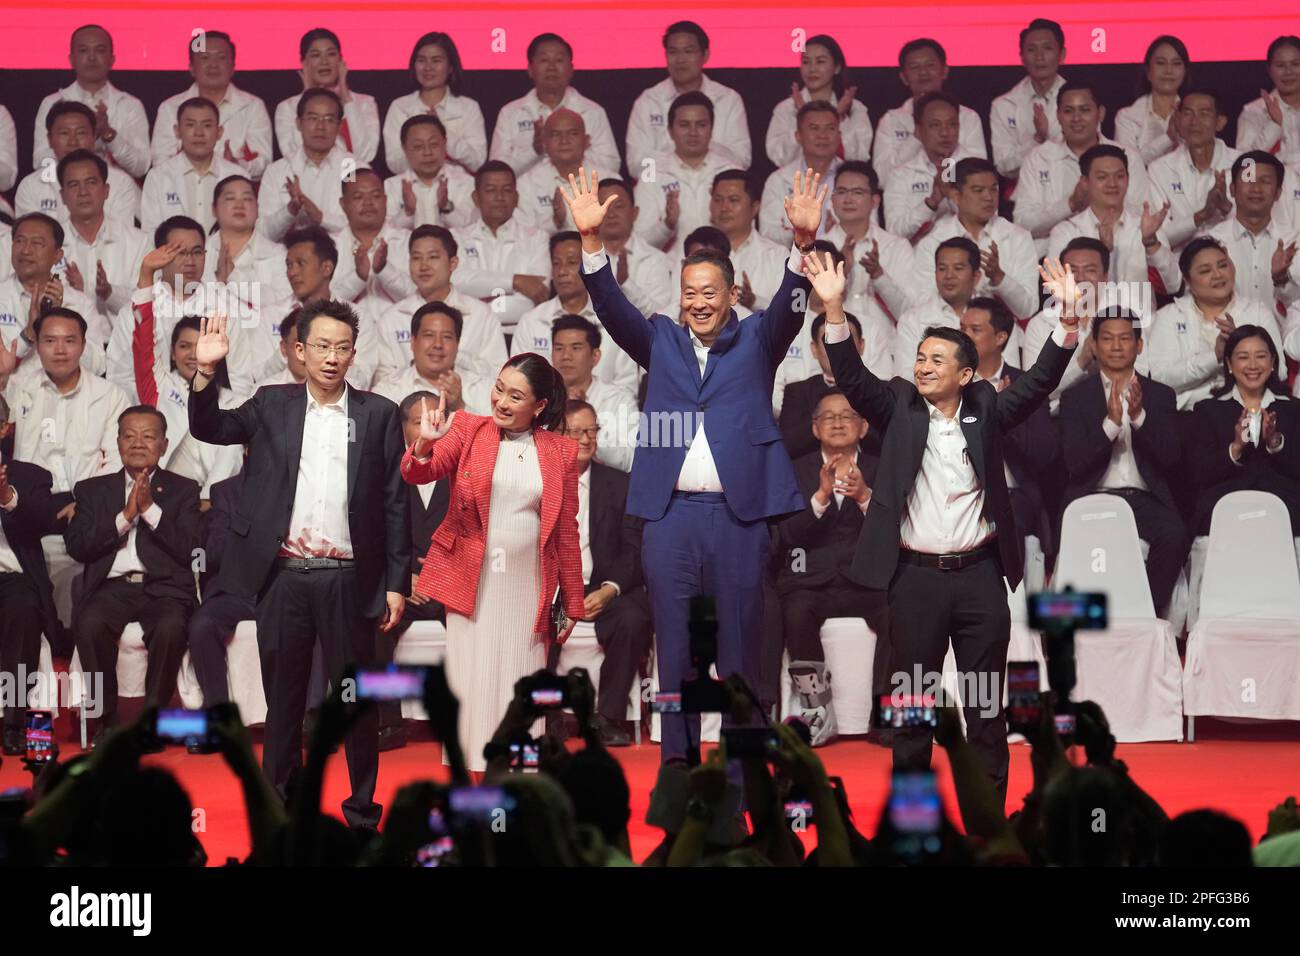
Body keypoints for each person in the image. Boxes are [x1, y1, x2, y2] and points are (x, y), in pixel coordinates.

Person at [565, 165, 824, 764]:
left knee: (740, 654)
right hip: (671, 519)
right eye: (689, 293)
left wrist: (802, 245)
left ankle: (742, 772)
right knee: (675, 652)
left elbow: (790, 308)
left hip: (739, 520)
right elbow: (608, 304)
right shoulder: (659, 340)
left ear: (732, 296)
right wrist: (591, 242)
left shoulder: (759, 340)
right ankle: (678, 770)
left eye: (710, 292)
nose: (698, 302)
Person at [818, 251, 1080, 802]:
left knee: (985, 708)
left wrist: (1068, 324)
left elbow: (1034, 387)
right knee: (913, 712)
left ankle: (987, 824)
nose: (924, 366)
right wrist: (834, 308)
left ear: (966, 373)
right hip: (913, 581)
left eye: (938, 360)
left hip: (981, 579)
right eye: (920, 357)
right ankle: (914, 826)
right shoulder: (897, 405)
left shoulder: (983, 406)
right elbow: (852, 376)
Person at [188, 301, 409, 828]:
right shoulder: (272, 405)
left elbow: (395, 502)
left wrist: (397, 582)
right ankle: (283, 812)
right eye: (322, 347)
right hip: (283, 577)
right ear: (300, 351)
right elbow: (209, 427)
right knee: (283, 704)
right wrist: (204, 372)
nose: (332, 357)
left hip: (350, 580)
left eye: (343, 347)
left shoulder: (378, 413)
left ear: (354, 353)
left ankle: (361, 814)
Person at [400, 354, 584, 773]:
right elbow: (416, 473)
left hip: (529, 588)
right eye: (499, 388)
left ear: (539, 406)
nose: (500, 400)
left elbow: (566, 531)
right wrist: (426, 442)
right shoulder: (467, 429)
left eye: (515, 395)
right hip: (472, 583)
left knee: (521, 686)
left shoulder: (560, 451)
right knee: (472, 687)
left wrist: (573, 601)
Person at [66, 405, 204, 744]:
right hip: (110, 588)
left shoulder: (184, 489)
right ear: (117, 441)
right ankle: (105, 720)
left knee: (171, 627)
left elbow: (192, 548)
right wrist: (125, 516)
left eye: (148, 436)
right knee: (89, 623)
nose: (138, 443)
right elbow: (78, 547)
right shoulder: (91, 490)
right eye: (129, 435)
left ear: (164, 444)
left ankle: (154, 722)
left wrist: (150, 511)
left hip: (164, 589)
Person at [770, 388, 889, 746]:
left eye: (847, 415)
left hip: (866, 581)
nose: (838, 422)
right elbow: (783, 535)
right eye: (828, 417)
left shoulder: (883, 468)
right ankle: (817, 711)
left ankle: (885, 714)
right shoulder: (791, 471)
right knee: (796, 611)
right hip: (811, 581)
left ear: (864, 427)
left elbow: (897, 532)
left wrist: (866, 497)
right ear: (815, 428)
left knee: (899, 609)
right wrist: (819, 500)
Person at [1058, 310, 1187, 616]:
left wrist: (1140, 418)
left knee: (1175, 534)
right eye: (1107, 338)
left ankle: (1147, 614)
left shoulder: (1161, 395)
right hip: (1093, 496)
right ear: (1094, 346)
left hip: (1145, 498)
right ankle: (1082, 620)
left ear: (1139, 345)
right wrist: (1111, 426)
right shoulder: (1074, 398)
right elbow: (1073, 463)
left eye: (1125, 338)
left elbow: (1172, 458)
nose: (1116, 346)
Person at [546, 399, 654, 745]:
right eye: (576, 431)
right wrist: (560, 591)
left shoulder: (621, 484)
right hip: (555, 586)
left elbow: (634, 549)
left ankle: (607, 716)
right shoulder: (541, 482)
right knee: (533, 617)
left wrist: (610, 589)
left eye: (592, 430)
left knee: (634, 618)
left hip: (603, 585)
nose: (586, 439)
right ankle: (548, 717)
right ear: (558, 435)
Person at [111, 218, 257, 400]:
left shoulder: (225, 308)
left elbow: (240, 379)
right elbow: (121, 378)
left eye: (197, 252)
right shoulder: (134, 312)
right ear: (159, 255)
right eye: (180, 253)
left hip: (214, 416)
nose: (190, 261)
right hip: (154, 417)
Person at [962, 297, 1060, 547]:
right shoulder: (950, 384)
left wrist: (1005, 414)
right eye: (962, 329)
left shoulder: (1026, 386)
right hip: (958, 492)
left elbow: (1044, 452)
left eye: (975, 330)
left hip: (1012, 494)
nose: (964, 336)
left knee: (1006, 523)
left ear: (1000, 337)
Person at [1015, 81, 1151, 257]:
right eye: (1068, 111)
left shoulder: (1127, 157)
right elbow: (1023, 224)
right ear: (1058, 115)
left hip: (1120, 251)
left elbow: (1143, 213)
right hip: (1052, 257)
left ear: (1100, 113)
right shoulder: (1038, 158)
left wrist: (1105, 207)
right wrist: (1070, 204)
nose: (1076, 118)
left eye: (1085, 110)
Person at [1147, 237, 1285, 410]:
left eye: (1222, 265)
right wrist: (1215, 357)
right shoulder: (1168, 316)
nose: (1218, 275)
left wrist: (1239, 347)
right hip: (1188, 414)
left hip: (1247, 410)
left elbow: (1280, 371)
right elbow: (1161, 379)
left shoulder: (1257, 312)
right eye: (1205, 271)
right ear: (1188, 280)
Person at [1190, 324, 1300, 536]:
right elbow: (1199, 473)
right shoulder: (1208, 410)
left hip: (1285, 505)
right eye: (1243, 357)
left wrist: (1275, 443)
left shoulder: (1293, 409)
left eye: (1260, 356)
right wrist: (1235, 448)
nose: (1252, 365)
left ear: (1273, 363)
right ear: (1229, 364)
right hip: (1225, 503)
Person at [1021, 237, 1152, 413]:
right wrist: (1082, 362)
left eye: (1090, 270)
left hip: (1123, 409)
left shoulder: (1129, 316)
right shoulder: (1040, 324)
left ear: (1105, 276)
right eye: (1072, 271)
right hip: (1058, 416)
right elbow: (1032, 392)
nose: (1081, 278)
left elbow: (1143, 372)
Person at [0, 399, 60, 754]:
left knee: (23, 608)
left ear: (4, 429)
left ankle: (14, 720)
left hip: (12, 579)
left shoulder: (29, 476)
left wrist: (7, 497)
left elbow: (42, 522)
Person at [372, 225, 506, 386]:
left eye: (433, 257)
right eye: (416, 258)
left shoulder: (481, 315)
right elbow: (382, 380)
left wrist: (454, 358)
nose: (423, 266)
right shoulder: (391, 318)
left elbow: (499, 377)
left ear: (453, 263)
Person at [131, 314, 245, 499]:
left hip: (215, 499)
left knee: (232, 436)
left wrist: (208, 498)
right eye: (184, 346)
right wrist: (145, 287)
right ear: (173, 353)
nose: (194, 354)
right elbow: (143, 344)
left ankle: (210, 498)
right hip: (163, 493)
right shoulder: (160, 385)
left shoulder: (235, 401)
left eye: (200, 346)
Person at [911, 158, 1040, 320]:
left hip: (1001, 339)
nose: (989, 197)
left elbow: (1027, 309)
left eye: (993, 190)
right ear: (956, 196)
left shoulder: (1018, 238)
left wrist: (999, 278)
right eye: (978, 190)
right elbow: (922, 304)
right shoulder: (933, 242)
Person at [512, 232, 639, 395]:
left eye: (572, 262)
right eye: (556, 263)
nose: (562, 271)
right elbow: (519, 383)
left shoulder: (615, 322)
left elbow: (627, 386)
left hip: (604, 414)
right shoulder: (531, 321)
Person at [1046, 144, 1179, 290]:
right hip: (1088, 312)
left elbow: (1174, 285)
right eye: (1102, 177)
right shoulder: (1066, 232)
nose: (1112, 184)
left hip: (1140, 312)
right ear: (1085, 182)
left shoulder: (1146, 226)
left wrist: (1151, 242)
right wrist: (1103, 251)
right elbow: (1056, 290)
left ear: (1128, 179)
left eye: (1120, 176)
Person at [489, 33, 619, 179]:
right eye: (544, 60)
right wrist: (533, 152)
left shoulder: (593, 112)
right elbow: (496, 174)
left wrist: (576, 153)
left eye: (559, 60)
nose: (551, 67)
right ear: (530, 69)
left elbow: (611, 166)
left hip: (580, 194)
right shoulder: (510, 113)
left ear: (571, 69)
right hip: (528, 197)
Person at [626, 20, 750, 174]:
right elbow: (636, 165)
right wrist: (667, 175)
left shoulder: (728, 99)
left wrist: (699, 155)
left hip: (715, 188)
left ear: (705, 55)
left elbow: (741, 159)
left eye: (688, 51)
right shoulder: (648, 101)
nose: (680, 60)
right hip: (661, 187)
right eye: (673, 52)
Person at [893, 237, 1023, 379]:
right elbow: (905, 380)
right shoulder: (911, 320)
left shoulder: (996, 316)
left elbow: (1009, 375)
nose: (949, 276)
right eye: (942, 269)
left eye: (958, 268)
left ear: (976, 276)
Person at [150, 30, 272, 180]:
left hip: (233, 191)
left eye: (221, 58)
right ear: (191, 67)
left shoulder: (253, 106)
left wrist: (237, 165)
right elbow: (160, 163)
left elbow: (264, 161)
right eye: (205, 57)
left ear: (233, 67)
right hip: (183, 189)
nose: (213, 65)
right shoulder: (170, 108)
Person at [32, 25, 151, 179]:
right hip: (63, 195)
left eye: (100, 50)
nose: (92, 57)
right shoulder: (52, 103)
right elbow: (41, 162)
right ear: (71, 59)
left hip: (117, 196)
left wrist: (109, 134)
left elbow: (141, 167)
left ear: (112, 59)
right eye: (83, 50)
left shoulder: (130, 105)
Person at [53, 150, 149, 337]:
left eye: (91, 183)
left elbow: (147, 306)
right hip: (66, 350)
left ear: (106, 191)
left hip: (122, 349)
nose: (83, 192)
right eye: (74, 185)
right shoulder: (49, 245)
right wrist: (76, 297)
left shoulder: (138, 242)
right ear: (63, 196)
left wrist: (110, 293)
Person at [633, 93, 739, 259]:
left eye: (701, 125)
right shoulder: (651, 171)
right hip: (669, 272)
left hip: (724, 267)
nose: (693, 132)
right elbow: (638, 241)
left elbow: (743, 235)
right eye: (684, 125)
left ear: (711, 129)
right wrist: (667, 226)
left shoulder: (730, 171)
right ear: (670, 130)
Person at [872, 38, 988, 190]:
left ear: (944, 71)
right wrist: (915, 139)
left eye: (930, 65)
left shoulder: (967, 117)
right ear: (903, 77)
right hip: (907, 204)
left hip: (958, 203)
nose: (923, 72)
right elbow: (881, 180)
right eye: (914, 67)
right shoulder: (891, 120)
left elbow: (979, 173)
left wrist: (945, 182)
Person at [450, 161, 552, 331]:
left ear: (516, 197)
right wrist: (515, 281)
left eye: (506, 190)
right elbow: (455, 283)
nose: (499, 197)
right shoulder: (456, 238)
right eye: (491, 190)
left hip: (518, 334)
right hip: (467, 334)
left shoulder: (537, 239)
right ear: (476, 197)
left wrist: (474, 304)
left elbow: (535, 296)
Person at [0, 213, 101, 372]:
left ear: (57, 255)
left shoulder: (80, 303)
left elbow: (97, 365)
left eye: (37, 243)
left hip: (64, 395)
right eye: (19, 241)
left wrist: (56, 319)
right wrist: (28, 335)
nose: (26, 250)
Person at [16, 101, 143, 227]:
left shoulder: (120, 182)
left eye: (81, 133)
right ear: (50, 139)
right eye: (64, 133)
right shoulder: (31, 186)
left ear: (94, 137)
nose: (73, 142)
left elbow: (121, 238)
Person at [1206, 151, 1300, 312]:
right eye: (1248, 179)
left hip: (1281, 336)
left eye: (1265, 181)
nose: (1256, 188)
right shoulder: (1211, 241)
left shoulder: (1293, 241)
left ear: (1278, 193)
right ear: (1233, 189)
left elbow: (1296, 307)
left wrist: (1281, 279)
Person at [1147, 91, 1240, 251]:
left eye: (1204, 114)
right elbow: (1157, 237)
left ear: (1220, 122)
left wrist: (1226, 207)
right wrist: (1201, 216)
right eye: (1188, 113)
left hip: (1234, 261)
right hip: (1178, 268)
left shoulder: (1246, 164)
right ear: (1177, 119)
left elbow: (1259, 225)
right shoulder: (1159, 169)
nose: (1194, 122)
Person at [383, 32, 486, 176]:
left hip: (458, 188)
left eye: (436, 60)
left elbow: (477, 161)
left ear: (450, 67)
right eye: (421, 60)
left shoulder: (469, 107)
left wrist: (441, 131)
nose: (428, 67)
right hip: (412, 188)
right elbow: (394, 163)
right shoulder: (400, 107)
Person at [882, 93, 979, 241]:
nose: (945, 132)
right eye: (935, 125)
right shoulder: (901, 175)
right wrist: (931, 203)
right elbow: (894, 234)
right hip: (918, 261)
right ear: (919, 131)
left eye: (952, 124)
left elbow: (988, 224)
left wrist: (953, 197)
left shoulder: (979, 171)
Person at [141, 98, 242, 240]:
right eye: (190, 125)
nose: (199, 133)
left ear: (219, 132)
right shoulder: (158, 177)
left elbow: (246, 231)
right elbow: (150, 233)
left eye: (207, 125)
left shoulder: (237, 175)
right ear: (177, 131)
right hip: (174, 260)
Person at [274, 28, 379, 165]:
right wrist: (309, 97)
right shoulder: (287, 107)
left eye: (331, 54)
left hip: (350, 176)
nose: (324, 61)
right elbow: (295, 155)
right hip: (306, 178)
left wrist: (347, 99)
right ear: (304, 63)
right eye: (315, 55)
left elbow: (364, 156)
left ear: (341, 60)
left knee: (352, 180)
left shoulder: (365, 103)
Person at [765, 35, 872, 169]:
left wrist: (839, 118)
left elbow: (858, 157)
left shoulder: (855, 108)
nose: (812, 69)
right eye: (806, 62)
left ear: (837, 67)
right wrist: (803, 118)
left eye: (820, 61)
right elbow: (779, 157)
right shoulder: (787, 108)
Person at [259, 89, 352, 241]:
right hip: (287, 259)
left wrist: (321, 217)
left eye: (329, 119)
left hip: (342, 258)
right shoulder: (278, 171)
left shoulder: (351, 167)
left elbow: (361, 225)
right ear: (299, 123)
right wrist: (290, 211)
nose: (320, 126)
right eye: (313, 118)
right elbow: (264, 234)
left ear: (340, 126)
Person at [550, 315, 639, 473]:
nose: (565, 356)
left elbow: (629, 460)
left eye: (576, 348)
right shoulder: (539, 399)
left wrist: (588, 420)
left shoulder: (619, 400)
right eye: (559, 348)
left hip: (603, 491)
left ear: (595, 356)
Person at [779, 311, 870, 459]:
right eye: (829, 340)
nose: (838, 348)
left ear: (861, 345)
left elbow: (893, 444)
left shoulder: (883, 391)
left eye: (846, 339)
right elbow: (786, 447)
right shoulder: (797, 392)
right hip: (810, 477)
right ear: (814, 349)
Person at [372, 301, 491, 414]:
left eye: (447, 337)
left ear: (458, 343)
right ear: (413, 341)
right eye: (429, 335)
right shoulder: (386, 391)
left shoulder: (483, 388)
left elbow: (494, 434)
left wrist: (460, 406)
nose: (438, 344)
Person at [990, 18, 1067, 179]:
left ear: (1062, 54)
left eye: (1047, 48)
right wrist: (1037, 139)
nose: (1039, 57)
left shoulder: (1082, 101)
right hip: (1023, 195)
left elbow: (1088, 156)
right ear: (1022, 57)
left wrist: (1047, 139)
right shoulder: (1003, 105)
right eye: (1032, 50)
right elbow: (1004, 167)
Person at [588, 178, 674, 318]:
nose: (611, 214)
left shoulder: (655, 259)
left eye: (618, 206)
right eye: (603, 206)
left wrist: (626, 284)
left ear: (634, 213)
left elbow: (660, 316)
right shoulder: (582, 258)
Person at [761, 102, 843, 245]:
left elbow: (868, 229)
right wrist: (800, 233)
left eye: (830, 128)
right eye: (814, 128)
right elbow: (768, 234)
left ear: (839, 135)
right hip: (792, 262)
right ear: (798, 136)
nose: (822, 135)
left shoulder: (854, 178)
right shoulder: (779, 180)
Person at [330, 168, 414, 307]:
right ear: (343, 204)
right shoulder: (330, 246)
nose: (368, 202)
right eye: (358, 197)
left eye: (375, 196)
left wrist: (384, 270)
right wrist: (358, 277)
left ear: (385, 200)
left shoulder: (409, 242)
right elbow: (322, 303)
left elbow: (421, 297)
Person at [202, 174, 292, 303]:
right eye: (230, 198)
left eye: (247, 199)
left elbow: (285, 302)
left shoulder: (278, 254)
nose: (239, 204)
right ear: (214, 209)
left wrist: (234, 278)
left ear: (257, 207)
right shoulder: (200, 250)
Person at [708, 170, 786, 313]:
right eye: (718, 200)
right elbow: (677, 304)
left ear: (755, 207)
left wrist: (754, 302)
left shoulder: (777, 256)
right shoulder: (695, 250)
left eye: (733, 200)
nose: (724, 208)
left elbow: (787, 315)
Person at [384, 116, 477, 231]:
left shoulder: (466, 183)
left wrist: (446, 207)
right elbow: (384, 234)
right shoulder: (390, 187)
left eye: (433, 144)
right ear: (404, 148)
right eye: (418, 146)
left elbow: (475, 230)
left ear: (445, 143)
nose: (427, 152)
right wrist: (407, 213)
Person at [514, 110, 598, 236]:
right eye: (556, 135)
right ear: (545, 143)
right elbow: (523, 239)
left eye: (573, 134)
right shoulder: (525, 185)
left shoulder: (608, 180)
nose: (564, 141)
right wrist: (555, 223)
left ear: (586, 141)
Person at [1114, 36, 1189, 165]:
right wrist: (1168, 138)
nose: (1168, 71)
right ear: (1148, 70)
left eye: (1176, 64)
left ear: (1185, 71)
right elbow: (1127, 165)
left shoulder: (1193, 115)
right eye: (1160, 63)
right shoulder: (1127, 117)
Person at [1236, 36, 1300, 167]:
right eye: (1280, 65)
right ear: (1269, 70)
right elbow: (1246, 168)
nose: (1288, 72)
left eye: (1296, 64)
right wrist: (1274, 125)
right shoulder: (1253, 112)